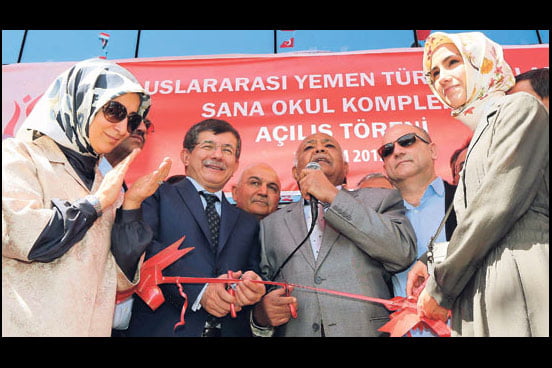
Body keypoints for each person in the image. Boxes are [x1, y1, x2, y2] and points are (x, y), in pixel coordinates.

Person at [2, 58, 171, 337]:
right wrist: (95, 205)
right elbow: (20, 235)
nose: (122, 129)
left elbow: (120, 279)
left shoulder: (106, 185)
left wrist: (131, 206)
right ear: (80, 101)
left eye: (133, 120)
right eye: (114, 110)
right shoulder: (19, 155)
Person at [415, 32, 548, 336]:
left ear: (482, 63)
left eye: (452, 63)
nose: (442, 78)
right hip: (478, 283)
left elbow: (495, 206)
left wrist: (441, 286)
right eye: (434, 73)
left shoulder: (519, 108)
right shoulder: (479, 134)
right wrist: (433, 265)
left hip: (520, 275)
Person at [252, 132, 417, 337]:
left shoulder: (380, 199)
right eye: (309, 147)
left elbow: (401, 253)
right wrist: (262, 312)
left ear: (346, 169)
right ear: (296, 172)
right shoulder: (271, 224)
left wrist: (332, 195)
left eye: (329, 145)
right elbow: (264, 286)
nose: (319, 149)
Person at [126, 118, 265, 337]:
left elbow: (252, 271)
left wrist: (249, 288)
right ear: (186, 156)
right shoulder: (156, 196)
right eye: (208, 146)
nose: (218, 155)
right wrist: (200, 291)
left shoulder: (247, 222)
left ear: (235, 165)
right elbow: (142, 251)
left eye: (227, 150)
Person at [379, 124, 457, 336]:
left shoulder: (466, 200)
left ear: (432, 150)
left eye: (407, 141)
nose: (397, 151)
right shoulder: (376, 218)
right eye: (387, 150)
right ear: (384, 168)